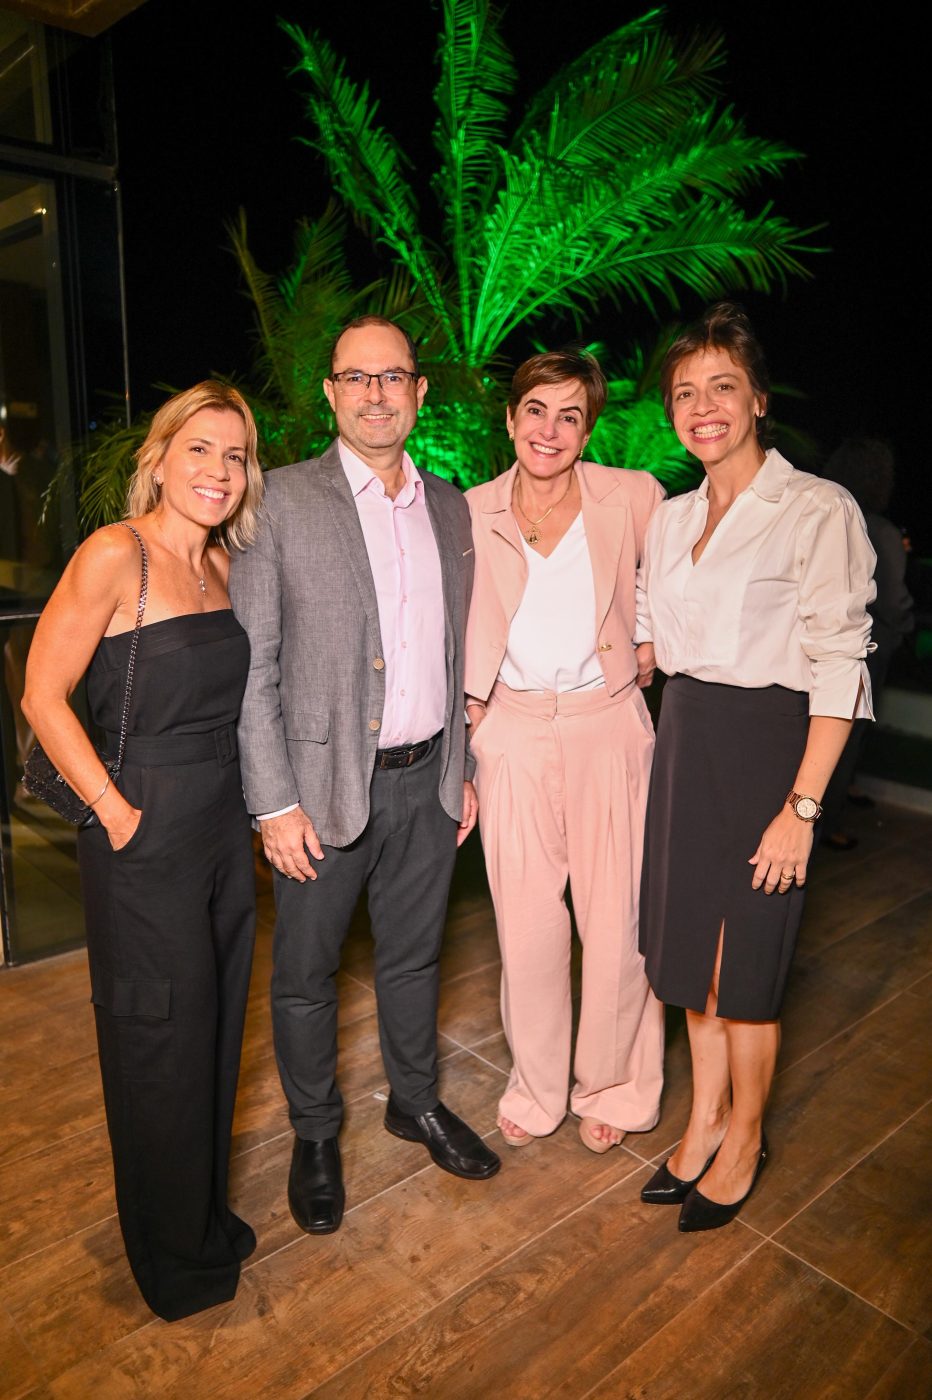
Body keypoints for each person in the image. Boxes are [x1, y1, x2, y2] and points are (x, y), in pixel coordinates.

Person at [229, 315, 500, 1239]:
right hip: (320, 792)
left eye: (394, 377)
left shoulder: (453, 506)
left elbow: (457, 650)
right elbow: (253, 666)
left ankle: (413, 1101)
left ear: (420, 393)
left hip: (427, 784)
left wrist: (460, 771)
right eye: (358, 377)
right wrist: (272, 803)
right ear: (331, 394)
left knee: (415, 958)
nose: (377, 393)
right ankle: (315, 1135)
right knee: (304, 976)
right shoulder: (279, 503)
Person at [22, 382, 264, 1319]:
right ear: (159, 458)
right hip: (144, 826)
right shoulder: (115, 555)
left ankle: (201, 1214)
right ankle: (173, 1257)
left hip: (219, 822)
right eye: (199, 449)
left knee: (211, 1028)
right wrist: (116, 813)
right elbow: (43, 695)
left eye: (234, 456)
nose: (217, 470)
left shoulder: (222, 568)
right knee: (156, 1041)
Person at [636, 303, 876, 1230]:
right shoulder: (670, 516)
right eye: (685, 392)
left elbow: (840, 667)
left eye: (721, 388)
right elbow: (657, 639)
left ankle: (744, 1140)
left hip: (770, 751)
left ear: (759, 400)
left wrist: (802, 809)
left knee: (748, 972)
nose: (703, 407)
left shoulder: (817, 509)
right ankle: (699, 1127)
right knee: (693, 960)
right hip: (686, 741)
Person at [464, 350, 666, 1153]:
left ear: (588, 430)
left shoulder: (634, 495)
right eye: (536, 411)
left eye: (570, 415)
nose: (550, 430)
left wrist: (646, 638)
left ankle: (616, 1086)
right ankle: (539, 1084)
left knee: (618, 922)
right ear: (511, 421)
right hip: (509, 728)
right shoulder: (469, 510)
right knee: (526, 926)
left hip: (608, 721)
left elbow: (680, 576)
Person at [818, 438, 913, 848]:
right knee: (845, 734)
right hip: (864, 651)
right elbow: (893, 601)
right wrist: (904, 628)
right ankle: (827, 825)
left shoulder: (820, 515)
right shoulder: (881, 530)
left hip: (814, 648)